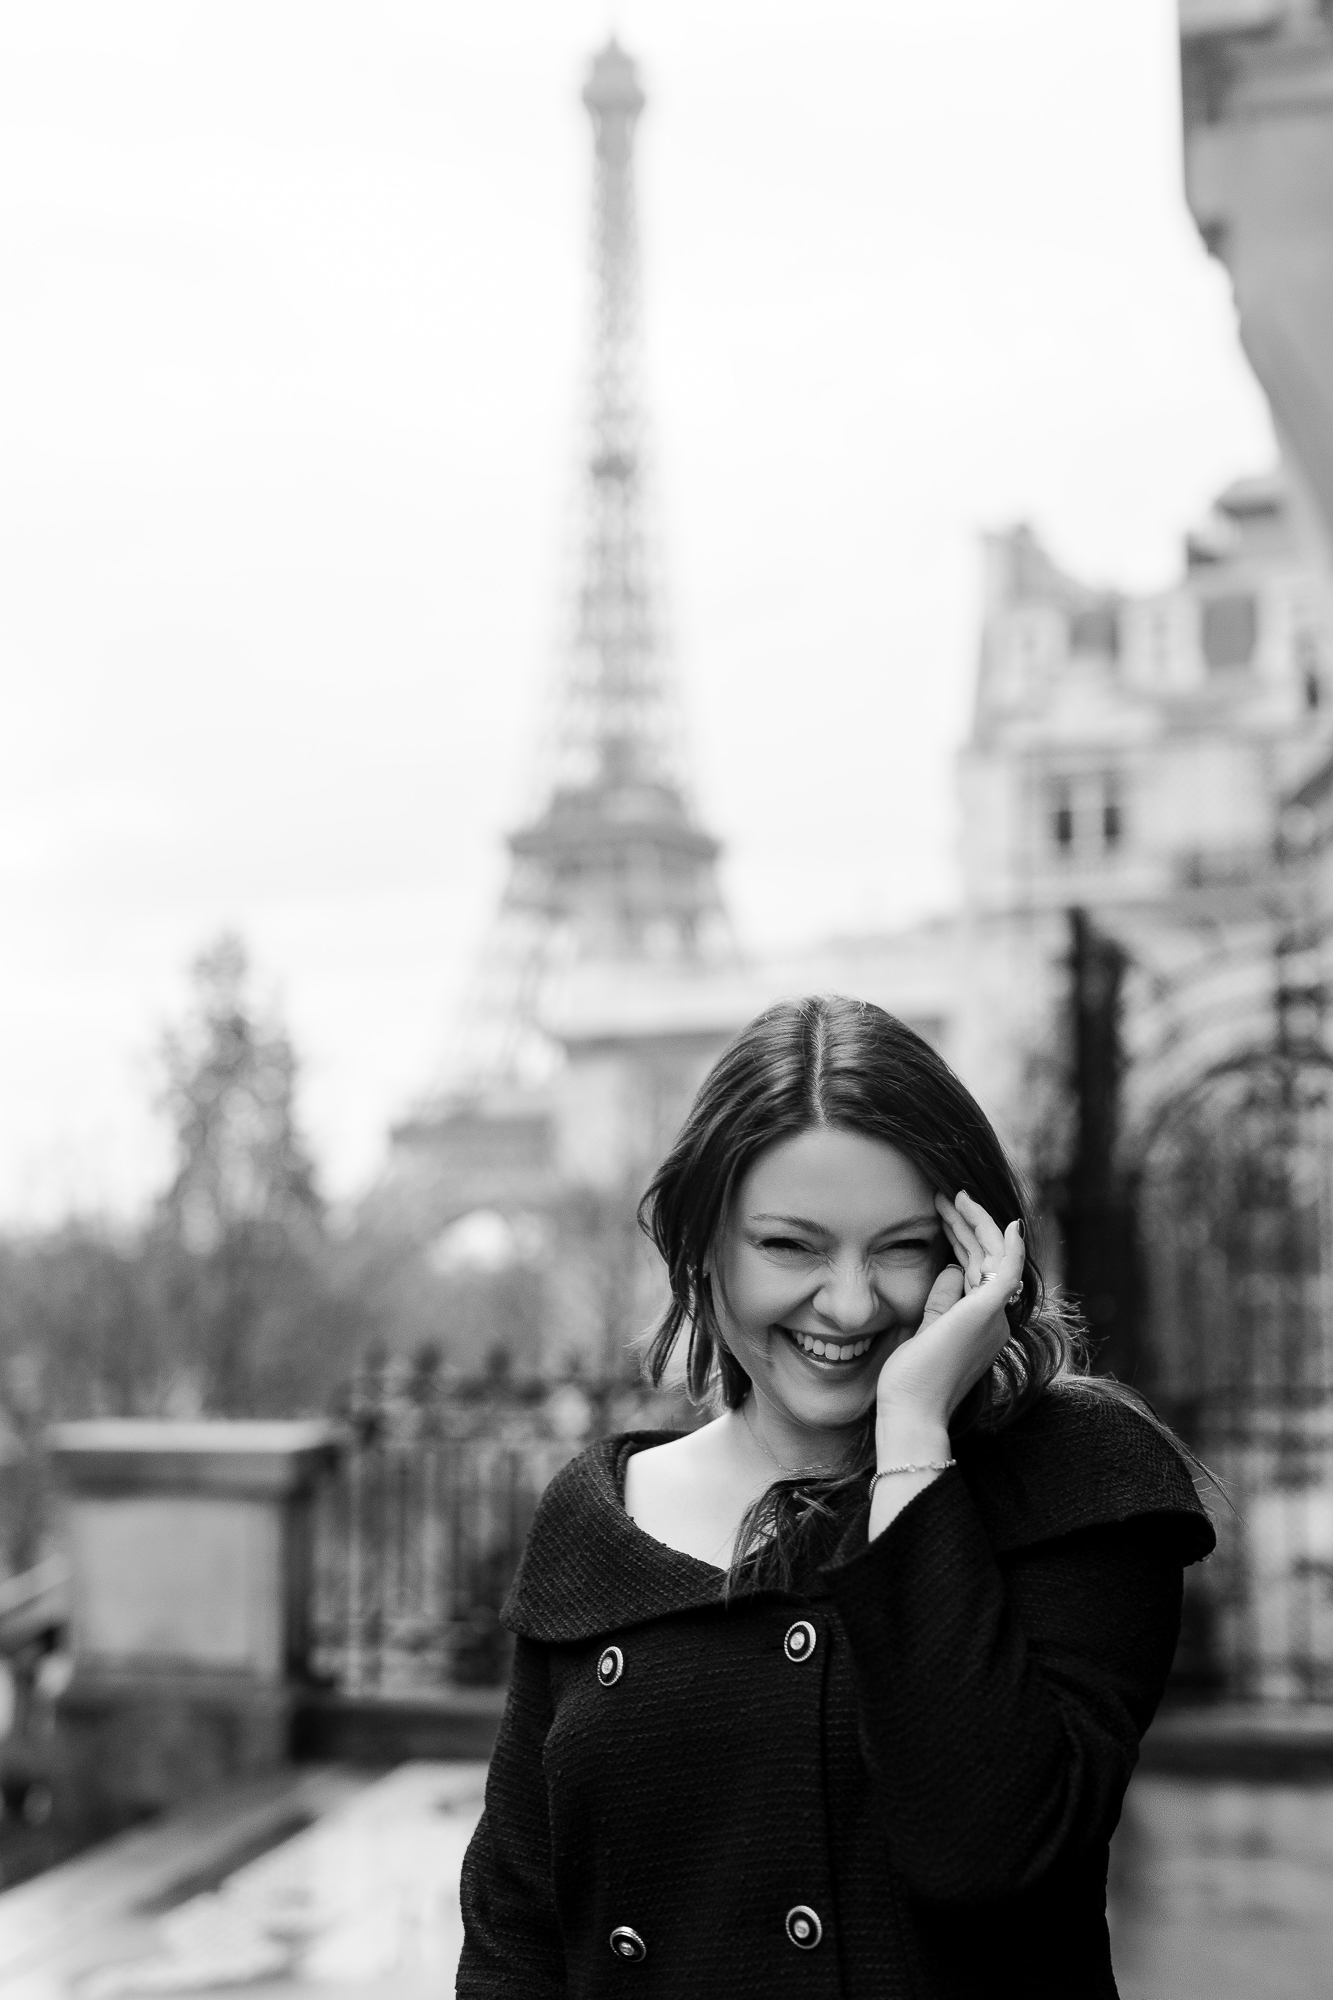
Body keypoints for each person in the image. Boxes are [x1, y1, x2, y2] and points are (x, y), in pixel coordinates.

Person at [457, 996, 1214, 1999]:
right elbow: (517, 1933)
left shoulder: (1077, 1480)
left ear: (969, 1248)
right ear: (702, 1245)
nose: (851, 1304)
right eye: (790, 1245)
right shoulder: (603, 1514)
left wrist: (910, 1441)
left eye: (899, 1245)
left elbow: (992, 1858)